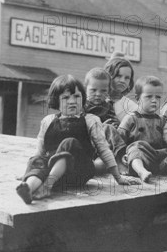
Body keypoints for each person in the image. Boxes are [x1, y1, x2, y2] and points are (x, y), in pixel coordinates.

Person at [16, 75, 140, 204]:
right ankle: (29, 188)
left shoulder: (90, 120)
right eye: (65, 97)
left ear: (83, 98)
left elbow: (104, 150)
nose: (72, 101)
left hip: (79, 171)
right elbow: (40, 152)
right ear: (56, 101)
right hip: (57, 175)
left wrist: (118, 178)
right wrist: (30, 171)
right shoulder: (48, 121)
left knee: (69, 143)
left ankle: (47, 187)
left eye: (76, 96)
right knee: (37, 159)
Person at [118, 76, 167, 183]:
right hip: (139, 158)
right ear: (138, 98)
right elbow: (119, 140)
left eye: (158, 97)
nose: (154, 101)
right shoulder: (131, 118)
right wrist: (121, 158)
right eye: (148, 97)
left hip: (157, 158)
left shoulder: (161, 120)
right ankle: (141, 172)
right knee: (136, 148)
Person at [84, 67, 127, 173]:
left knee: (114, 129)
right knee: (107, 127)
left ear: (108, 91)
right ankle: (119, 160)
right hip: (90, 142)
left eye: (103, 91)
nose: (98, 94)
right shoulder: (83, 106)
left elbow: (113, 121)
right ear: (85, 89)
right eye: (93, 90)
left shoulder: (108, 105)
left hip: (106, 146)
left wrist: (117, 123)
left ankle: (118, 159)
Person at [104, 52, 138, 120]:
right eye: (118, 76)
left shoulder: (132, 108)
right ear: (108, 75)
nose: (122, 80)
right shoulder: (98, 99)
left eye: (127, 78)